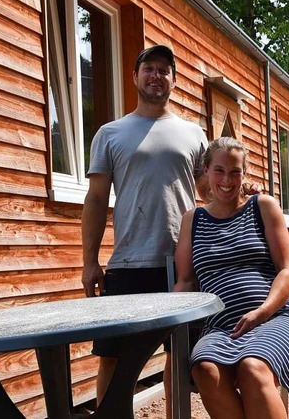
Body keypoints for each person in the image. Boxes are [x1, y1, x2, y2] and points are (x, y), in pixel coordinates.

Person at [81, 44, 209, 415]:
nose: (156, 76)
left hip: (181, 265)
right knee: (113, 358)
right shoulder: (111, 133)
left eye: (164, 70)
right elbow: (95, 199)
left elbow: (207, 192)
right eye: (149, 69)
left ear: (173, 79)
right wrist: (89, 262)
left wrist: (241, 190)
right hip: (127, 264)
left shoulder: (193, 133)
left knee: (178, 355)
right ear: (135, 77)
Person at [173, 137, 289, 419]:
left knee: (252, 367)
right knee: (204, 370)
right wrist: (166, 319)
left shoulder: (262, 206)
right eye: (219, 170)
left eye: (235, 171)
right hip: (221, 326)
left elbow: (288, 270)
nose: (227, 180)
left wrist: (262, 312)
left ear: (244, 173)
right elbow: (186, 282)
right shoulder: (193, 219)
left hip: (275, 317)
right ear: (207, 171)